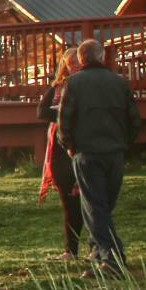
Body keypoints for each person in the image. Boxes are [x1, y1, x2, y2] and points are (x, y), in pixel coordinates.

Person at [57, 38, 141, 274]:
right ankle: (99, 252)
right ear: (102, 56)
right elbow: (134, 120)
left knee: (95, 208)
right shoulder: (119, 83)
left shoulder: (73, 83)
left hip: (87, 153)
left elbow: (63, 121)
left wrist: (69, 146)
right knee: (104, 205)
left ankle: (111, 259)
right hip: (115, 152)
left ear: (81, 59)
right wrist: (124, 143)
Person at [36, 47, 86, 261]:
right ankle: (70, 250)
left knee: (89, 201)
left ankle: (97, 247)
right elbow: (41, 111)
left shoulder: (87, 85)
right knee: (69, 202)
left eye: (76, 61)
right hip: (59, 148)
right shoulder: (57, 87)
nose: (72, 65)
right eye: (69, 62)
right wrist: (63, 115)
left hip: (82, 145)